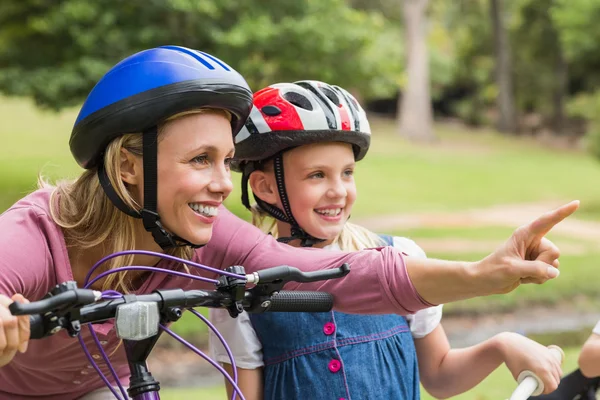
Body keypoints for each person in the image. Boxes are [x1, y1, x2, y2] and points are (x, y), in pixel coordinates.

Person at [0, 46, 576, 400]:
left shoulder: (205, 234)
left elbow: (325, 273)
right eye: (201, 160)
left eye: (226, 161)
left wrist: (481, 274)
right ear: (129, 165)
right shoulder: (38, 235)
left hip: (105, 386)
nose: (225, 184)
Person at [209, 80, 564, 399]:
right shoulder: (243, 291)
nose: (338, 191)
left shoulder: (400, 258)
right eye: (317, 175)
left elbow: (440, 375)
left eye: (347, 173)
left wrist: (503, 345)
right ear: (266, 187)